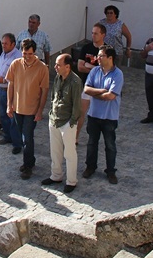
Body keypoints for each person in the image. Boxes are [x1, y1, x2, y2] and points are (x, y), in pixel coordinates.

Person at [6, 39, 50, 180]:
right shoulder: (15, 64)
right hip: (18, 108)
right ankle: (30, 160)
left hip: (32, 110)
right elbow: (10, 86)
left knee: (27, 138)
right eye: (25, 53)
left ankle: (27, 166)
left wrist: (40, 111)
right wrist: (9, 104)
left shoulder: (42, 68)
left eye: (30, 54)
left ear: (35, 52)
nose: (27, 56)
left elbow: (44, 91)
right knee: (22, 136)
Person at [82, 45, 124, 184]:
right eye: (98, 56)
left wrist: (97, 93)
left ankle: (111, 171)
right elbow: (87, 89)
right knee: (91, 143)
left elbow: (111, 96)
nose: (97, 58)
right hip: (94, 115)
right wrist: (101, 91)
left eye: (101, 56)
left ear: (110, 58)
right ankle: (90, 167)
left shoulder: (118, 74)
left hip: (109, 117)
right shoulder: (94, 71)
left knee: (110, 145)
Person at [42, 54, 81, 193]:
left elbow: (77, 105)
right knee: (55, 151)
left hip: (67, 122)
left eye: (58, 65)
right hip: (54, 120)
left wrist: (72, 122)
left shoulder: (75, 82)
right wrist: (51, 114)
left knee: (69, 153)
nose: (55, 67)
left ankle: (71, 181)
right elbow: (53, 96)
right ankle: (56, 176)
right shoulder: (58, 77)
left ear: (67, 67)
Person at [74, 23, 106, 143]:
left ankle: (95, 138)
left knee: (97, 115)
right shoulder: (86, 48)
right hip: (87, 85)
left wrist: (89, 65)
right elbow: (80, 67)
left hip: (101, 87)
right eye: (92, 33)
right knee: (81, 112)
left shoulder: (107, 50)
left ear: (103, 35)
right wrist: (95, 68)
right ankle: (75, 137)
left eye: (96, 33)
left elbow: (107, 70)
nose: (93, 35)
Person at [0, 33, 22, 153]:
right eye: (2, 43)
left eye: (6, 43)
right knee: (4, 115)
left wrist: (4, 80)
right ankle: (7, 137)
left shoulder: (18, 57)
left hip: (12, 91)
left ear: (13, 44)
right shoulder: (3, 54)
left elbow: (18, 76)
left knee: (13, 118)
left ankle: (17, 144)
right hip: (1, 90)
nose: (3, 45)